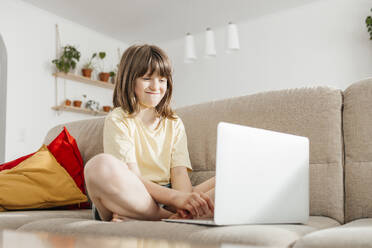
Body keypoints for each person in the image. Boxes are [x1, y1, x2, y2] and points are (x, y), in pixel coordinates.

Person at [84, 44, 215, 222]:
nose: (156, 86)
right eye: (147, 78)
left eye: (162, 80)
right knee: (98, 165)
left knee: (230, 175)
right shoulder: (118, 119)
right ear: (129, 80)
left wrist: (184, 201)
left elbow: (179, 175)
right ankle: (165, 218)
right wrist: (177, 199)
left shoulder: (174, 122)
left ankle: (166, 216)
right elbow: (134, 178)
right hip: (132, 193)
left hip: (168, 196)